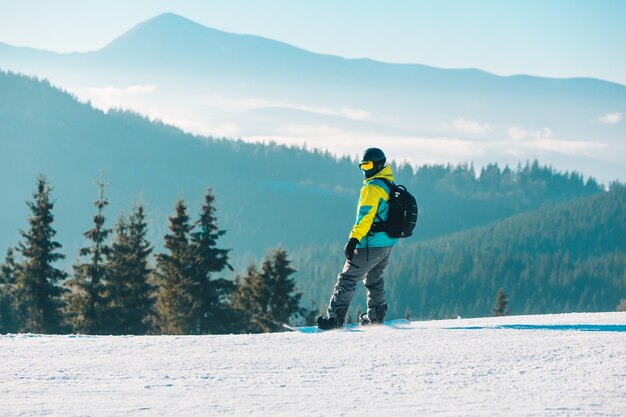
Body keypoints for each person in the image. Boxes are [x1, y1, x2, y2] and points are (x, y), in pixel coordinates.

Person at [316, 148, 398, 330]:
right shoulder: (388, 184)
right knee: (374, 278)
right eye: (362, 165)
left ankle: (334, 319)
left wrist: (353, 240)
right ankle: (376, 317)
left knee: (347, 279)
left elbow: (365, 217)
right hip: (388, 243)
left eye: (367, 165)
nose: (365, 169)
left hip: (371, 243)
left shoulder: (372, 187)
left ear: (377, 165)